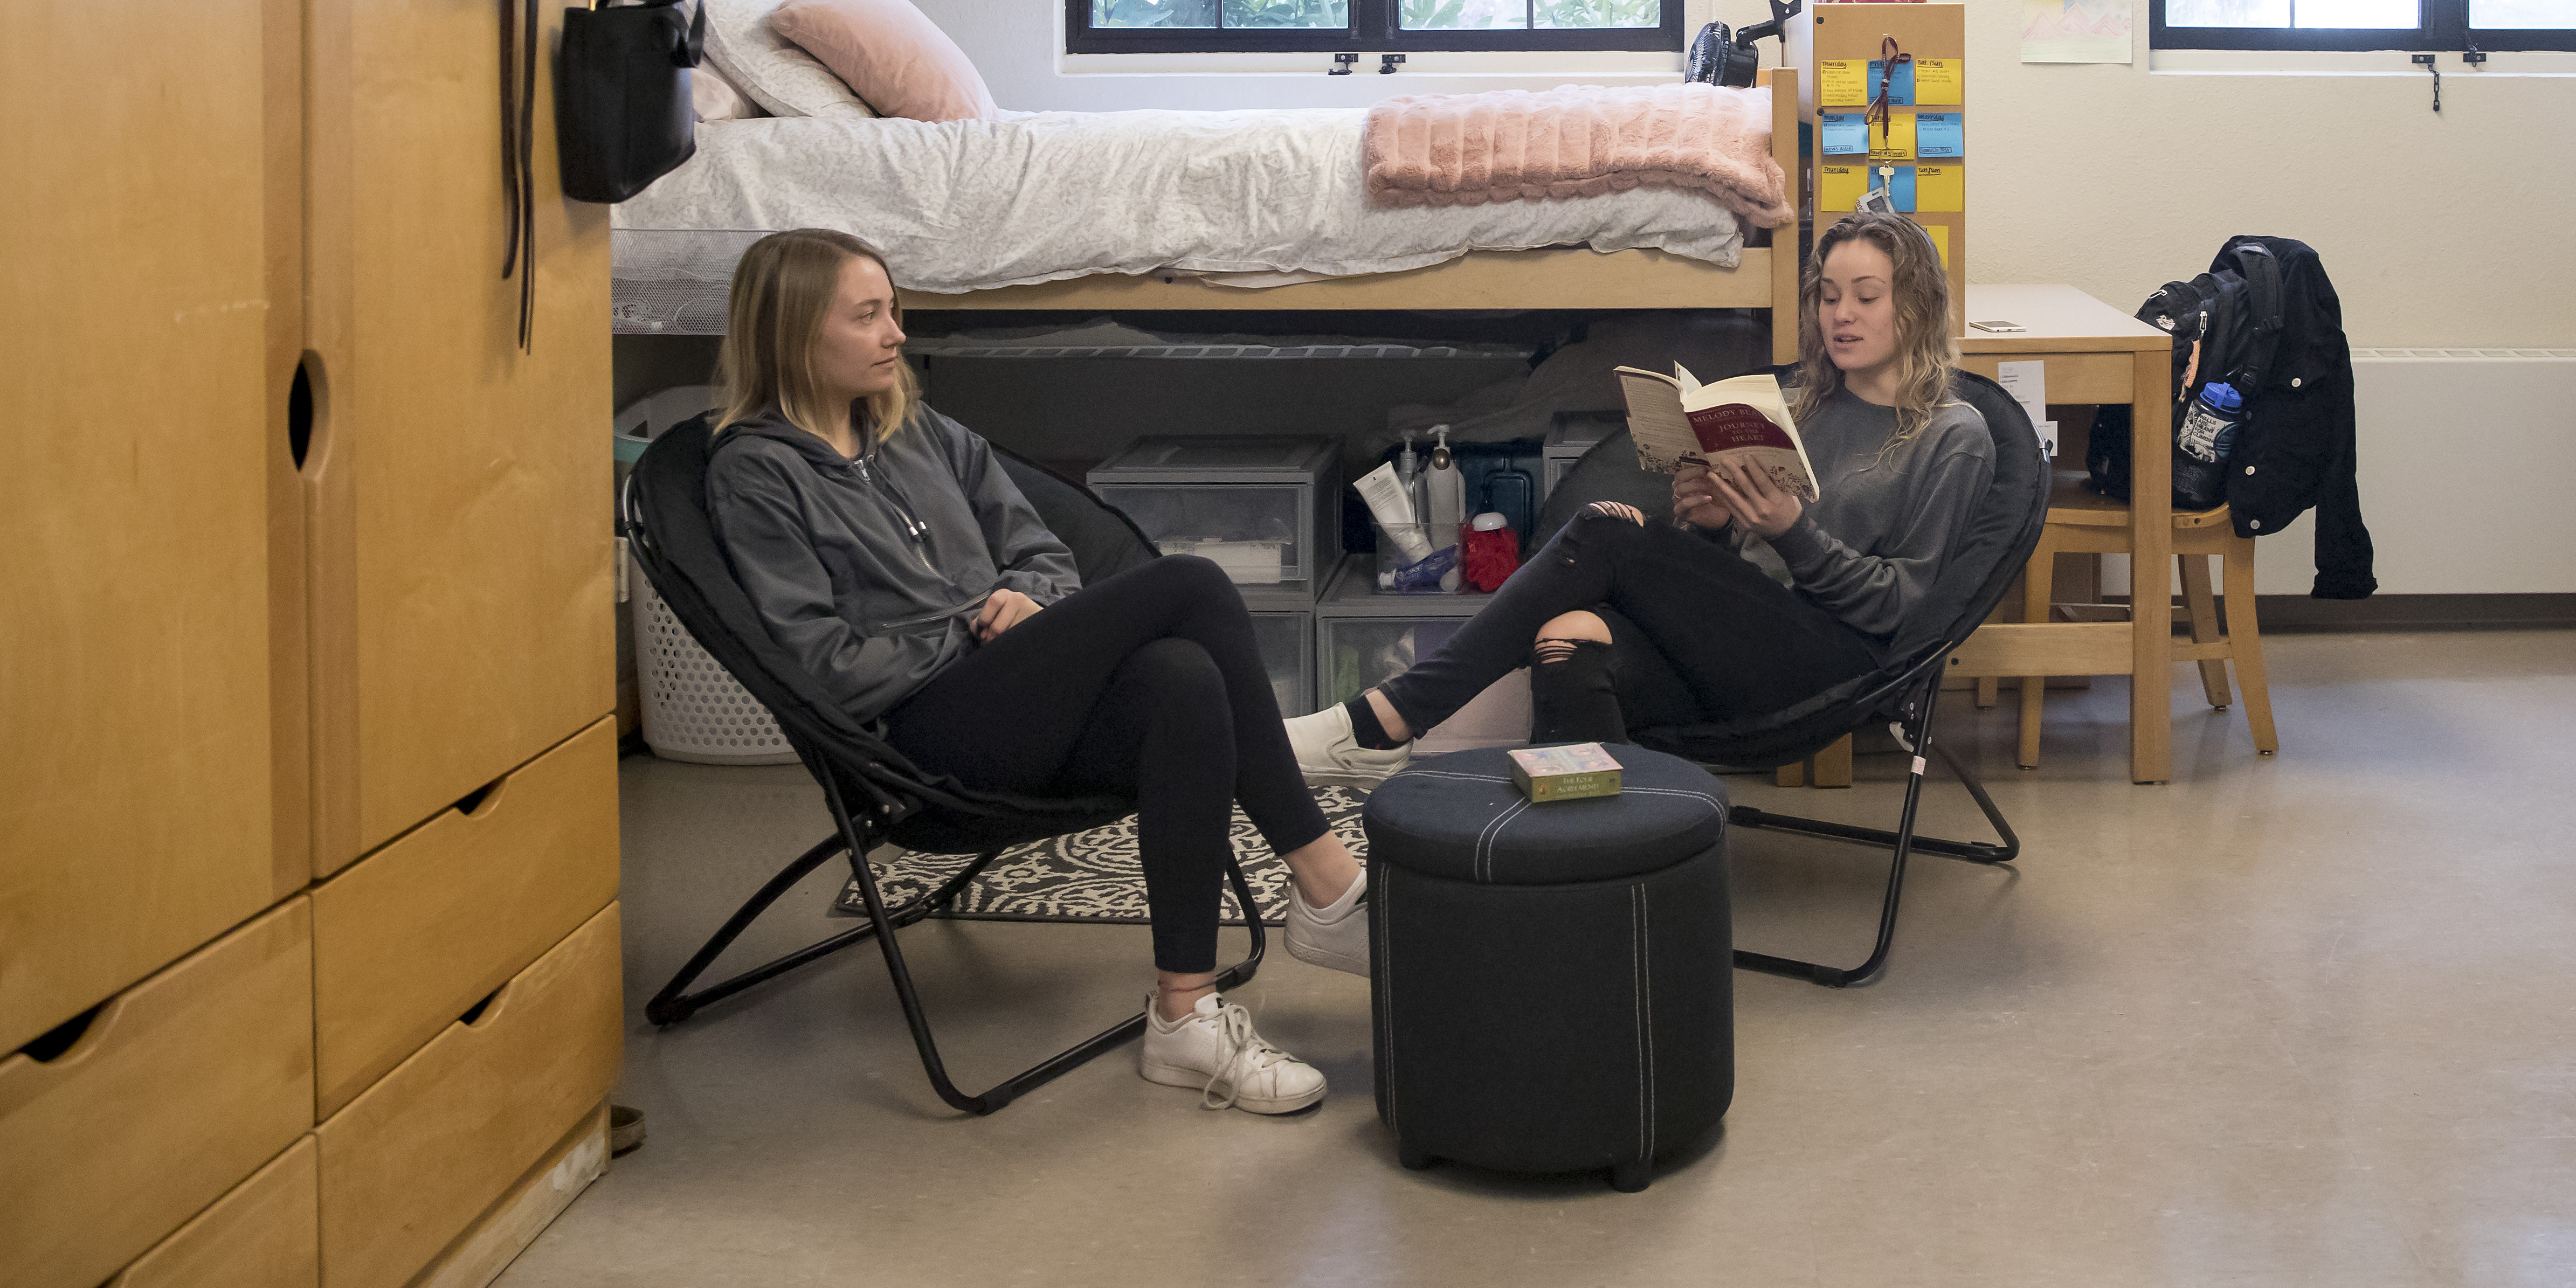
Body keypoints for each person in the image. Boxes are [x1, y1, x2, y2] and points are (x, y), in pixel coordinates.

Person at [706, 228, 1362, 1119]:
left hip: (1019, 709)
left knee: (1182, 677)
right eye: (868, 317)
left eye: (895, 309)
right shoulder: (756, 476)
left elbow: (1040, 545)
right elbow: (825, 667)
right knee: (1194, 585)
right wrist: (975, 636)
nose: (897, 333)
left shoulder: (915, 427)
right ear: (792, 337)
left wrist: (1031, 600)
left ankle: (1184, 1015)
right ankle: (1328, 885)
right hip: (921, 746)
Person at [1287, 214, 1993, 777]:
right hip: (1746, 649)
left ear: (1916, 306)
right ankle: (1595, 873)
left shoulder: (1952, 436)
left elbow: (1907, 610)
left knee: (1604, 529)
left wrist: (1791, 529)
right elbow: (1744, 581)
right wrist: (1715, 526)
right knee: (1571, 643)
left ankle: (1384, 720)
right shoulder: (1801, 406)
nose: (1843, 313)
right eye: (1830, 296)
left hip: (1838, 667)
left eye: (1866, 296)